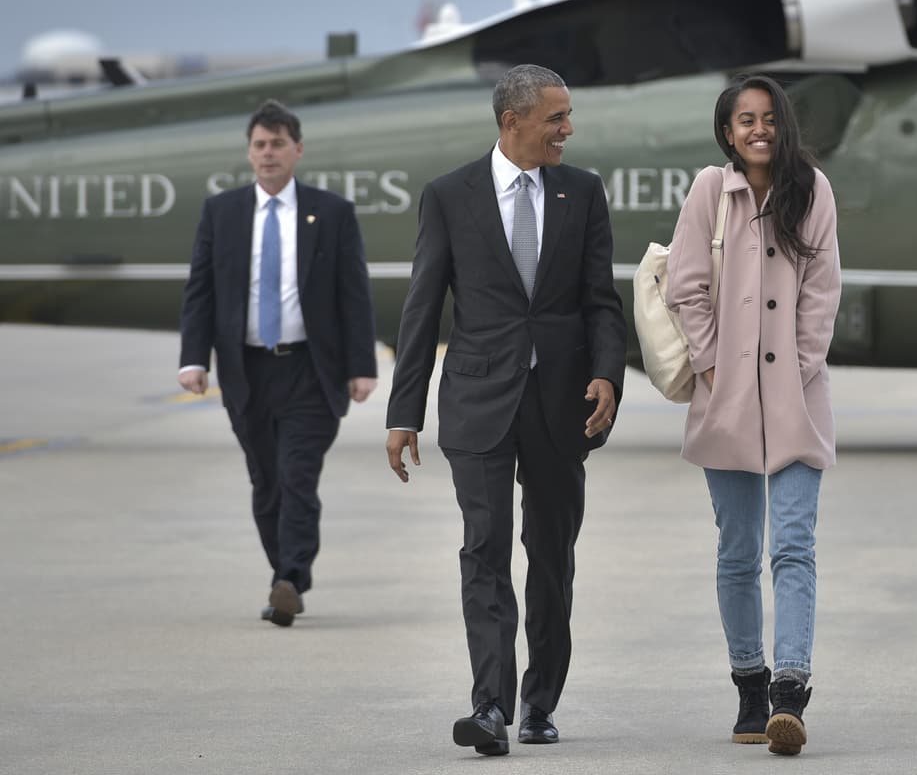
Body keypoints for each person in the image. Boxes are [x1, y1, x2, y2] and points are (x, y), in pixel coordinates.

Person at [384, 64, 626, 757]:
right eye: (557, 117)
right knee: (484, 550)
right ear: (512, 121)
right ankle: (489, 705)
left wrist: (608, 374)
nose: (568, 129)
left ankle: (539, 702)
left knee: (550, 556)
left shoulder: (583, 191)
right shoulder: (448, 196)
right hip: (478, 401)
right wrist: (405, 412)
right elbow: (422, 306)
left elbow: (600, 300)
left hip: (562, 405)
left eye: (568, 115)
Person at [665, 74, 841, 756]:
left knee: (793, 545)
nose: (759, 129)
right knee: (738, 552)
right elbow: (686, 287)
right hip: (726, 400)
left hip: (798, 398)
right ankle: (749, 685)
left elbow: (822, 290)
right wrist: (712, 368)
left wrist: (800, 367)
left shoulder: (812, 190)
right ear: (728, 132)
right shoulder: (710, 190)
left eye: (768, 118)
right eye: (746, 120)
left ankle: (789, 692)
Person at [178, 99, 378, 626]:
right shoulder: (221, 213)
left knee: (297, 476)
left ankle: (291, 577)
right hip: (246, 371)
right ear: (249, 152)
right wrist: (193, 359)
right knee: (266, 483)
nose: (268, 153)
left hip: (310, 369)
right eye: (260, 145)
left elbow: (353, 293)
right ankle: (283, 577)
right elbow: (200, 291)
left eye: (278, 144)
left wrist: (362, 365)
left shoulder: (331, 213)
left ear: (297, 150)